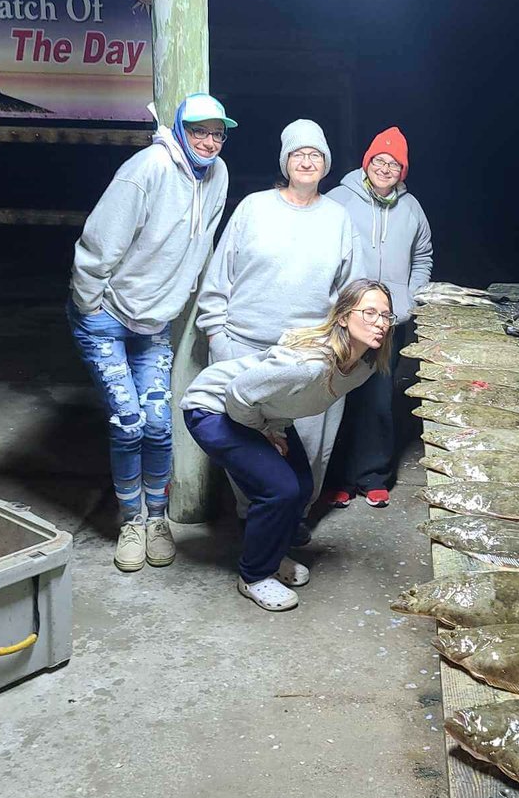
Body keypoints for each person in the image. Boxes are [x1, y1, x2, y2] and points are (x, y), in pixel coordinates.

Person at [68, 93, 236, 573]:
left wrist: (178, 298)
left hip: (154, 320)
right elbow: (99, 241)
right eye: (200, 131)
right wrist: (88, 301)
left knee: (160, 423)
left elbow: (200, 244)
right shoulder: (147, 169)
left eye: (218, 133)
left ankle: (158, 519)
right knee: (128, 420)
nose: (209, 141)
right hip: (106, 315)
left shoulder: (217, 176)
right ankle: (131, 521)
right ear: (181, 129)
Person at [182, 280, 394, 610]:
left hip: (259, 414)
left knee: (302, 486)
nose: (379, 323)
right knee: (279, 489)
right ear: (342, 317)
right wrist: (266, 433)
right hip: (211, 408)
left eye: (385, 315)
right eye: (369, 313)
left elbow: (283, 401)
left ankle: (270, 554)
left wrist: (274, 427)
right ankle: (253, 576)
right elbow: (237, 394)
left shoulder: (362, 368)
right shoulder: (308, 364)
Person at [196, 118, 355, 530]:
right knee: (252, 446)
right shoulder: (254, 207)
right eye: (298, 153)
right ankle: (257, 519)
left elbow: (348, 288)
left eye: (315, 154)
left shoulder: (338, 217)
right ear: (285, 162)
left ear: (326, 163)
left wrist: (338, 348)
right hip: (247, 348)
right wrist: (218, 337)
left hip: (311, 353)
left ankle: (296, 517)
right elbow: (220, 278)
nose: (307, 161)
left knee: (312, 447)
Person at [324, 127, 432, 508]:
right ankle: (336, 479)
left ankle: (373, 476)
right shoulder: (339, 199)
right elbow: (324, 251)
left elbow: (423, 256)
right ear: (367, 162)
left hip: (390, 322)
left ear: (403, 171)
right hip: (348, 320)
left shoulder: (411, 208)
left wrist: (411, 297)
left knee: (380, 400)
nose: (386, 168)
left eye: (394, 164)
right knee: (339, 398)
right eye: (379, 161)